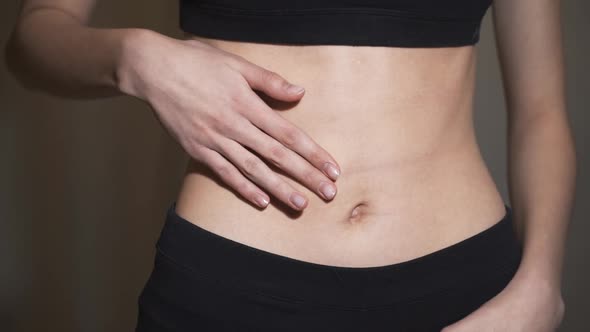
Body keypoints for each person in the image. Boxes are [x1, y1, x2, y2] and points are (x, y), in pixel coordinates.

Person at [6, 0, 576, 331]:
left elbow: (542, 109)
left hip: (470, 298)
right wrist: (134, 57)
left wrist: (539, 287)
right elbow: (35, 39)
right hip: (233, 289)